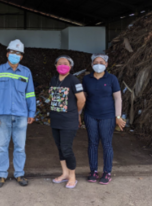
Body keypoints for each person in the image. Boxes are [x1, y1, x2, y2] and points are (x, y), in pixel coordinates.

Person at [0, 39, 36, 188]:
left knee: (20, 146)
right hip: (2, 114)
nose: (15, 55)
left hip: (21, 114)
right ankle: (1, 174)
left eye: (18, 53)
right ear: (7, 54)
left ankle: (19, 174)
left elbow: (30, 94)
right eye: (12, 52)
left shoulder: (26, 72)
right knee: (2, 146)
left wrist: (32, 112)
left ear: (22, 56)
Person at [82, 54, 126, 185]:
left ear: (106, 64)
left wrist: (118, 117)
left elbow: (118, 98)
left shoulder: (111, 79)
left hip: (108, 116)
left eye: (101, 62)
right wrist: (78, 114)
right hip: (90, 115)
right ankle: (93, 171)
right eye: (96, 62)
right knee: (92, 143)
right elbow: (82, 98)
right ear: (91, 64)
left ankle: (107, 172)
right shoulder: (86, 79)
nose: (99, 64)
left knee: (106, 144)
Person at [49, 55, 86, 189]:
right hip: (55, 119)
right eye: (60, 63)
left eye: (66, 63)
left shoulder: (74, 80)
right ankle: (64, 173)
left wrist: (77, 114)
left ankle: (72, 176)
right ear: (55, 65)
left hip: (69, 120)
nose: (62, 65)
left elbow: (81, 100)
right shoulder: (53, 80)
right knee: (60, 148)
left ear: (70, 67)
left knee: (66, 148)